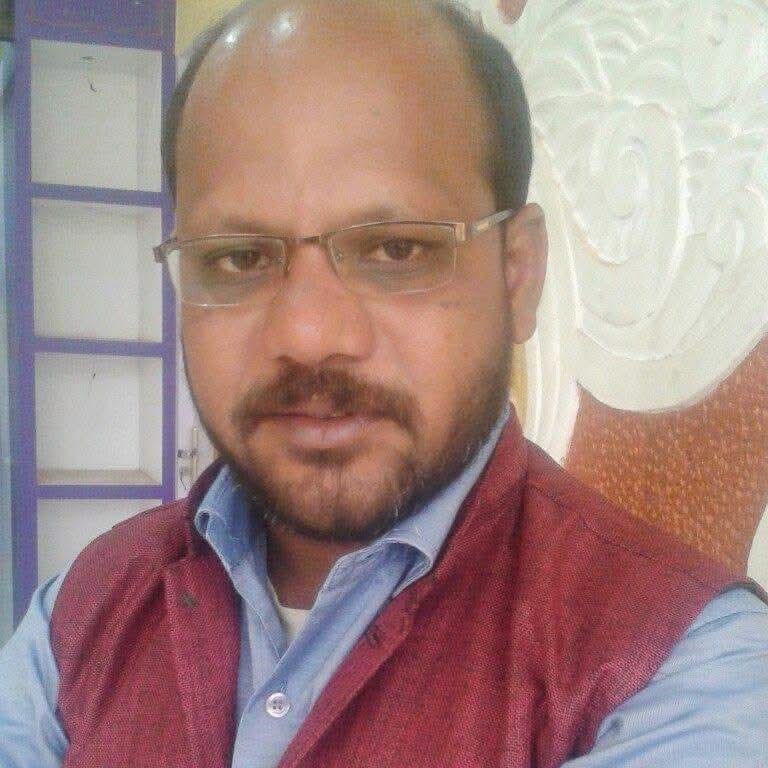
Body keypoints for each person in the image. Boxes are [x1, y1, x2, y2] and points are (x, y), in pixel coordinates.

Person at [1, 1, 767, 766]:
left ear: (517, 274)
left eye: (397, 250)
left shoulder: (685, 673)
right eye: (238, 257)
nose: (307, 335)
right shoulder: (75, 618)